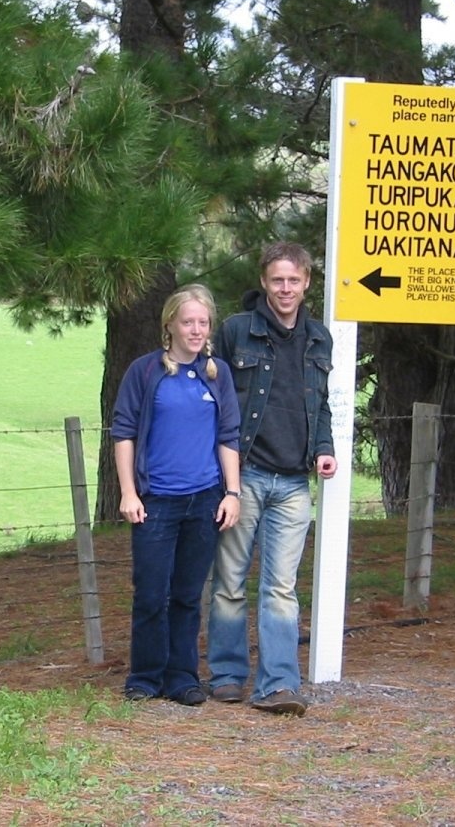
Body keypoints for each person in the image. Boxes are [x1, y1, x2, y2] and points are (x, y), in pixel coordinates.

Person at [206, 241, 337, 717]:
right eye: (277, 279)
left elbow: (321, 404)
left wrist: (324, 449)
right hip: (244, 477)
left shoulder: (320, 338)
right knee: (230, 582)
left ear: (306, 284)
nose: (286, 288)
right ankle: (226, 676)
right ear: (264, 281)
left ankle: (279, 685)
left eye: (294, 280)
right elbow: (214, 402)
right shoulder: (236, 332)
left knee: (282, 588)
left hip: (294, 484)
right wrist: (223, 477)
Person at [112, 284, 242, 705]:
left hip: (203, 500)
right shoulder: (145, 372)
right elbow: (124, 432)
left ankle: (183, 676)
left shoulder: (217, 373)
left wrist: (232, 493)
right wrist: (129, 492)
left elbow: (228, 436)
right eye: (188, 322)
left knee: (188, 595)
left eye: (203, 323)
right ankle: (145, 677)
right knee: (151, 593)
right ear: (169, 323)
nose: (197, 330)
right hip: (156, 503)